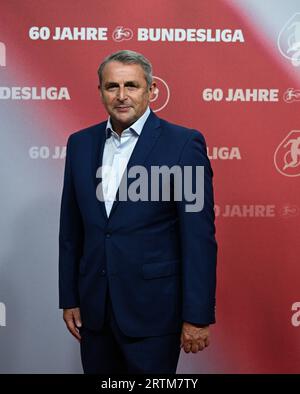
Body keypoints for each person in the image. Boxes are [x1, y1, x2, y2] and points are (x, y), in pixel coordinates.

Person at [59, 49, 217, 374]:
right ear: (101, 91)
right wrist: (70, 297)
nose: (121, 96)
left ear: (152, 90)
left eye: (131, 85)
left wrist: (197, 315)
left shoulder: (183, 144)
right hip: (95, 311)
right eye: (111, 87)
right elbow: (71, 231)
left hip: (155, 313)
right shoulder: (80, 143)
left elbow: (198, 238)